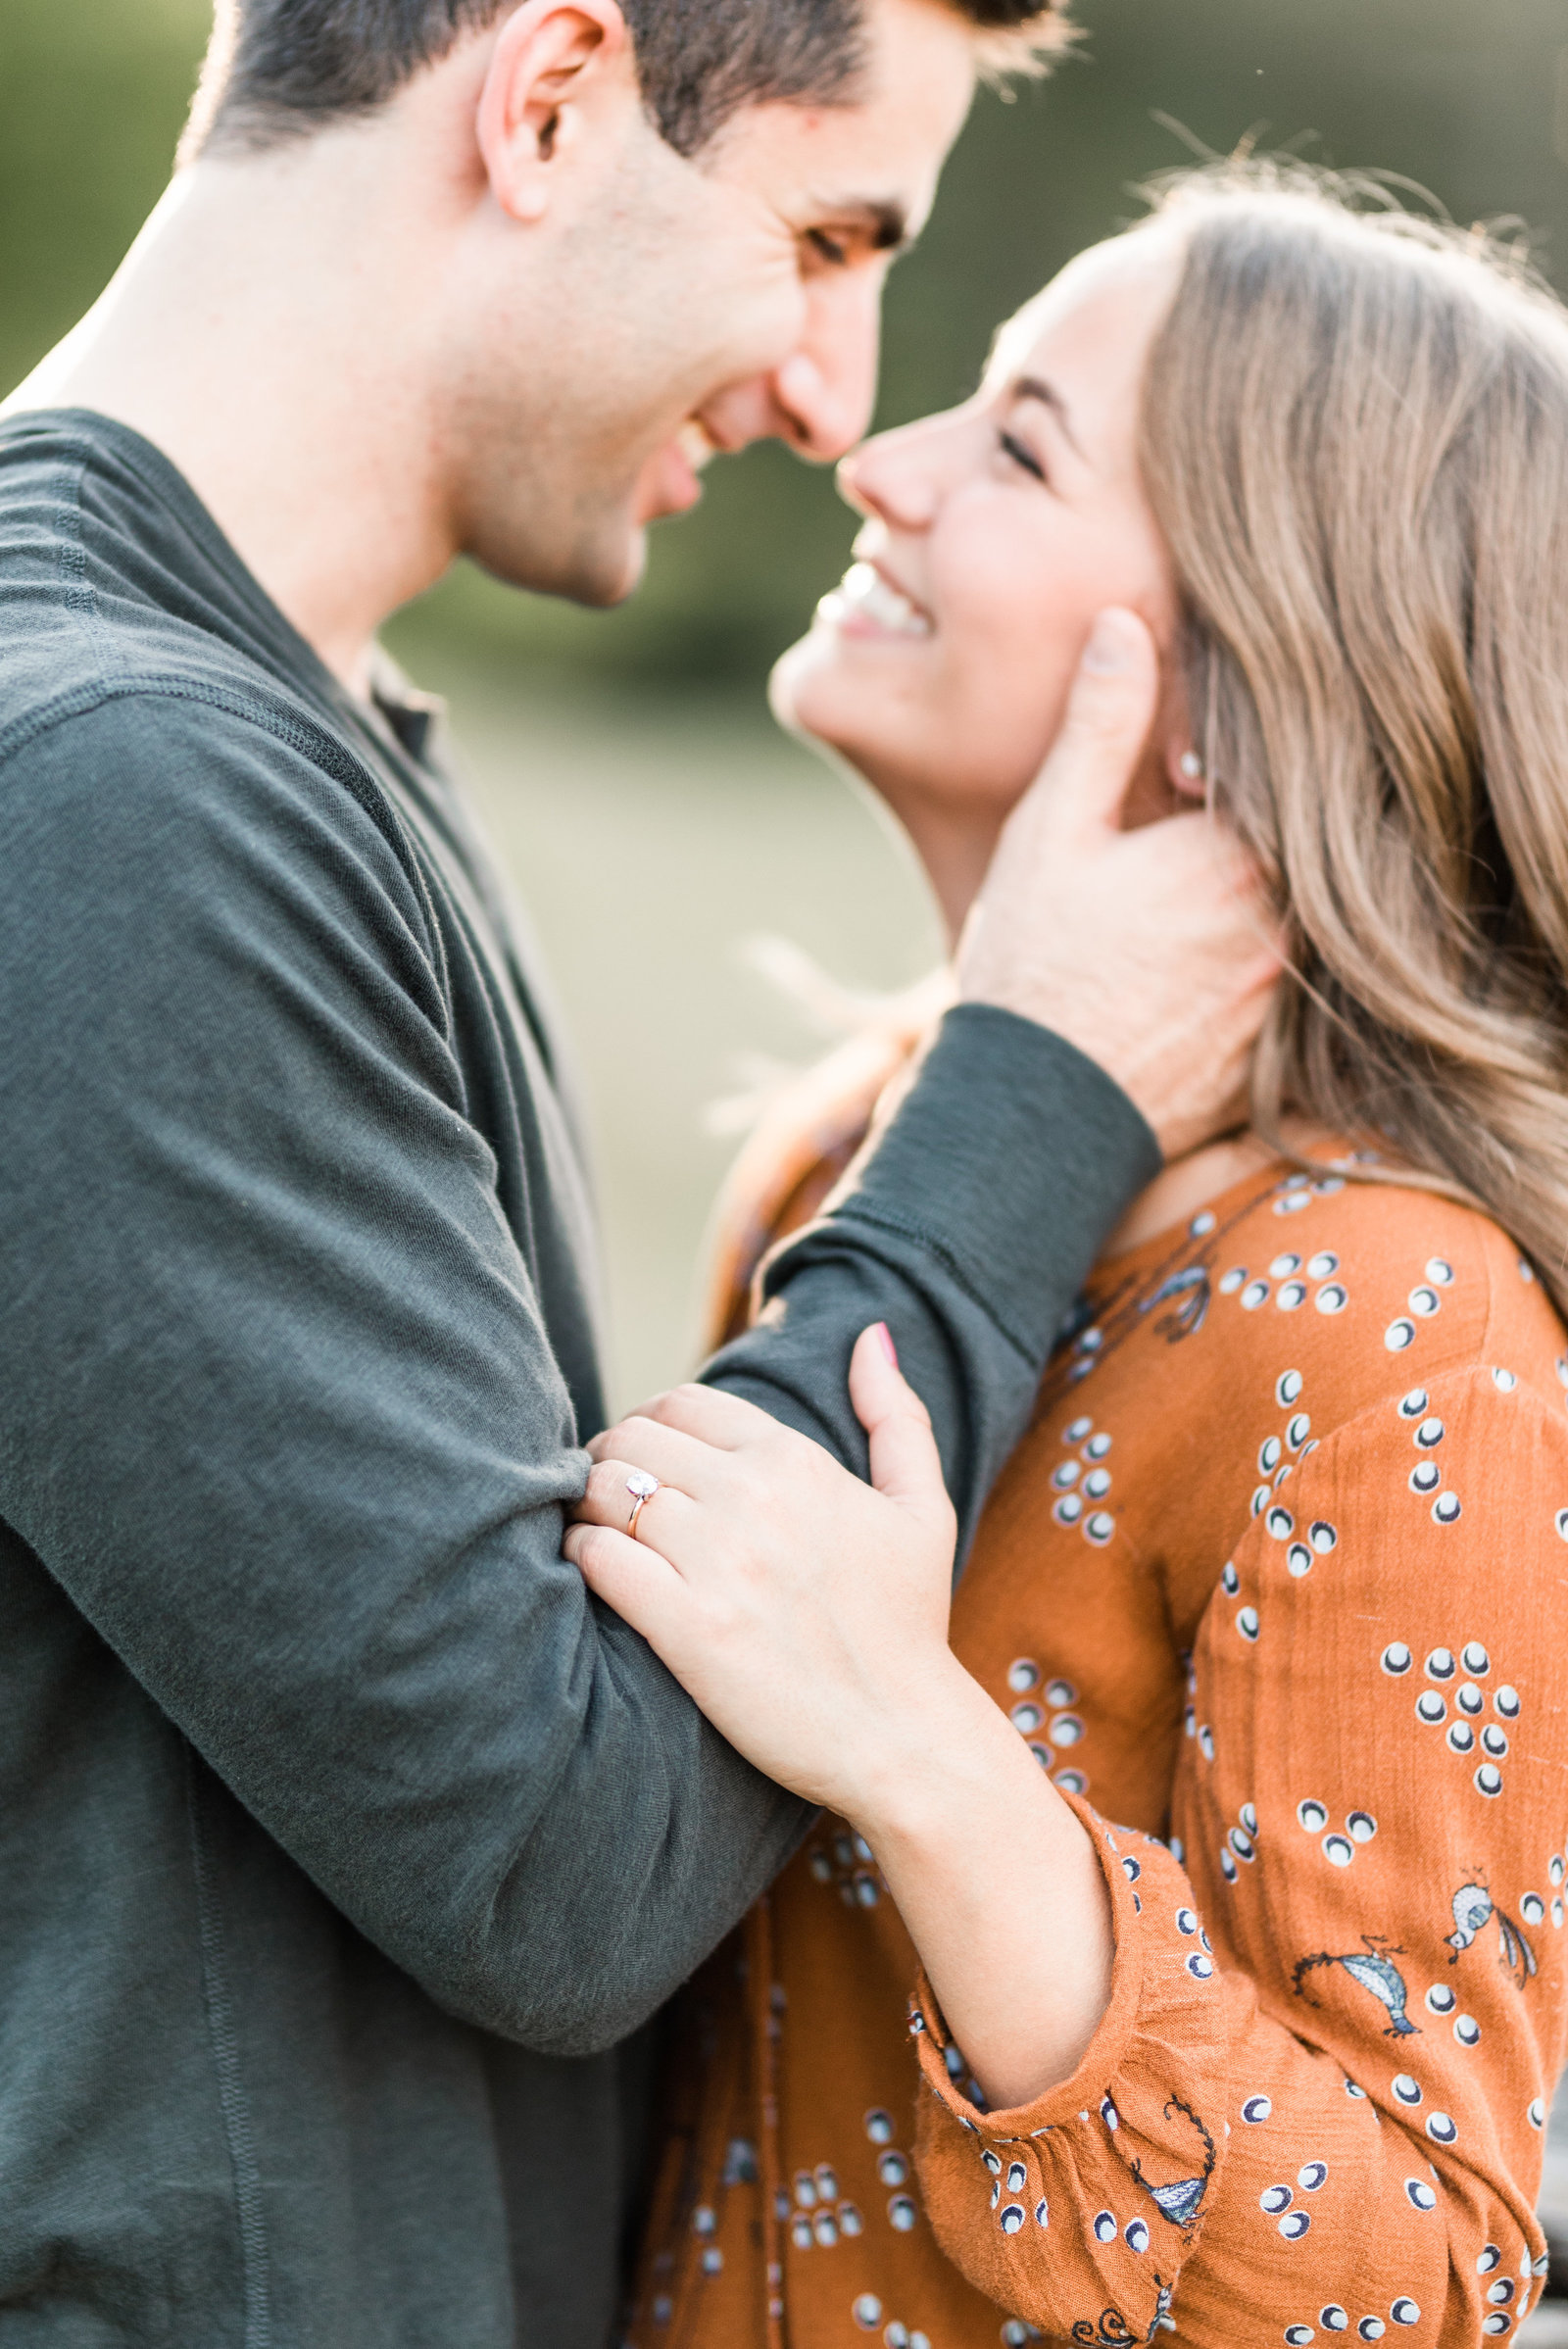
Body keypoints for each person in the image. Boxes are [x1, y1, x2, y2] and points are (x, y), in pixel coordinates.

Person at [0, 2, 1279, 2342]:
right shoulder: (105, 798)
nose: (828, 388)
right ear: (553, 95)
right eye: (815, 235)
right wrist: (1040, 1080)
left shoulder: (279, 739)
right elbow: (551, 1860)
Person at [568, 167, 1568, 2346]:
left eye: (1013, 442)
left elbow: (1418, 2275)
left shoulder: (1395, 1331)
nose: (872, 456)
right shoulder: (847, 1144)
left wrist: (920, 1760)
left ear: (1250, 672)